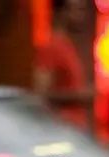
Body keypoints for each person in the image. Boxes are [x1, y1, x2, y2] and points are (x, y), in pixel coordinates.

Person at [34, 0, 95, 130]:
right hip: (62, 129)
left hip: (76, 131)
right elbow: (42, 94)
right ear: (61, 13)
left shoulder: (69, 45)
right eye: (77, 10)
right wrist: (80, 96)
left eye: (83, 10)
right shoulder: (52, 46)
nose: (82, 16)